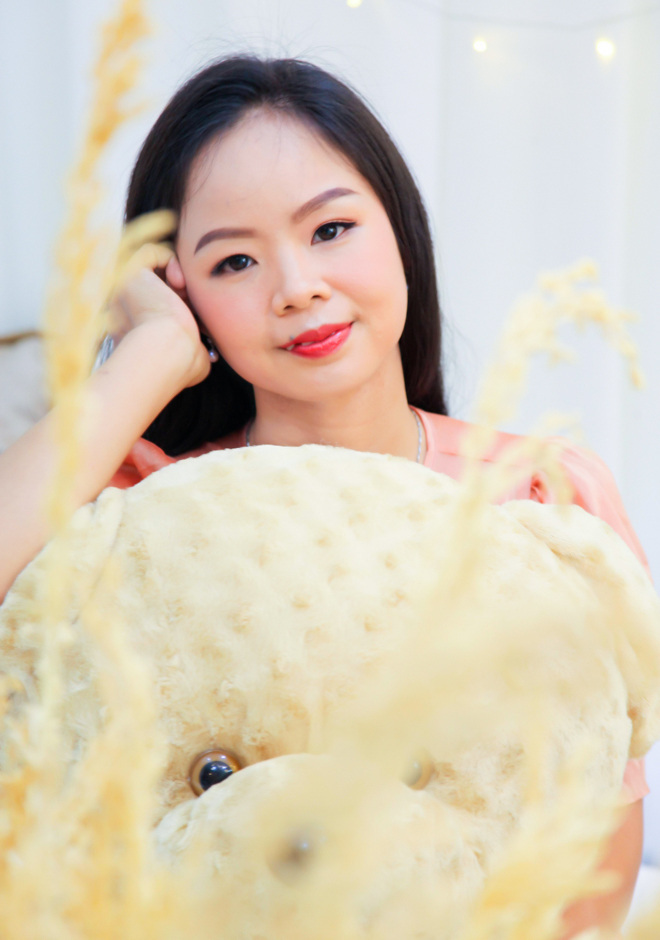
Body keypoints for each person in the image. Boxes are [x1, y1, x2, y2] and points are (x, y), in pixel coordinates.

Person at [0, 55, 650, 936]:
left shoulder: (539, 500)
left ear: (400, 229)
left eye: (331, 229)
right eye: (234, 260)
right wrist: (151, 354)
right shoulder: (151, 512)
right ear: (182, 292)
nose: (297, 286)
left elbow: (594, 859)